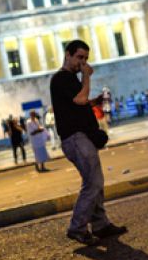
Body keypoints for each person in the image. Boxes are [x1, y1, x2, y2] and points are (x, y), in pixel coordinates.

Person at [51, 39, 127, 246]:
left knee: (96, 181)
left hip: (82, 136)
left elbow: (79, 104)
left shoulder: (71, 80)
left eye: (85, 59)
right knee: (92, 183)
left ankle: (100, 224)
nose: (82, 63)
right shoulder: (61, 78)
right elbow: (79, 100)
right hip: (75, 138)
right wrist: (86, 78)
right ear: (68, 54)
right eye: (79, 57)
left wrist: (94, 101)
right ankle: (77, 227)